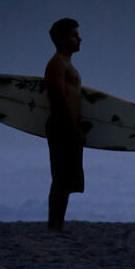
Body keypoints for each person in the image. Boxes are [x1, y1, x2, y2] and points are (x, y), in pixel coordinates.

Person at [44, 18, 87, 232]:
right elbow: (58, 98)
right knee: (61, 180)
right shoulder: (56, 64)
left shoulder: (66, 63)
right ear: (61, 39)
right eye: (74, 35)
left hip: (69, 127)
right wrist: (72, 127)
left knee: (67, 181)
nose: (80, 39)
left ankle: (57, 225)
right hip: (62, 127)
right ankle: (54, 227)